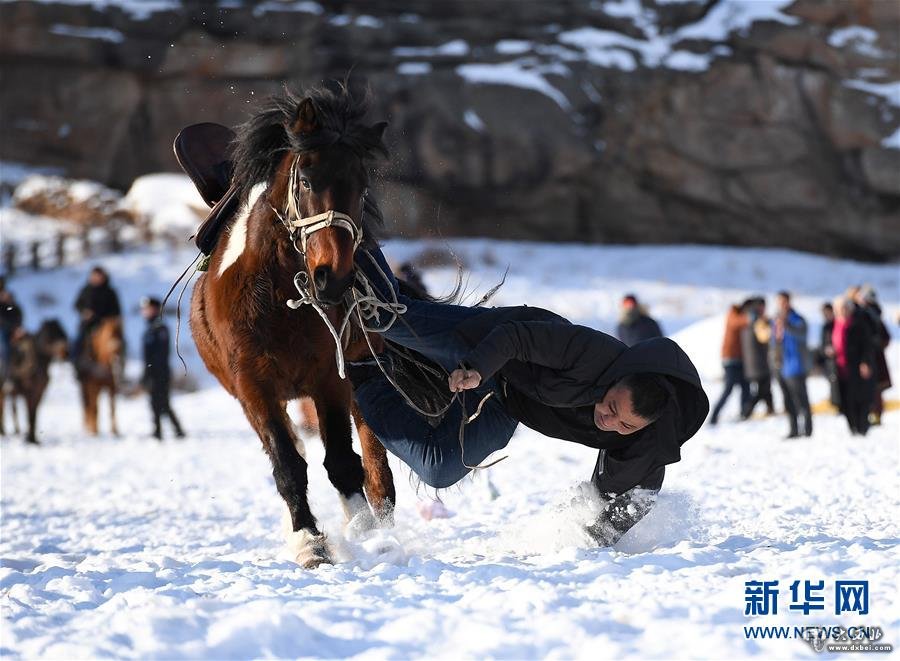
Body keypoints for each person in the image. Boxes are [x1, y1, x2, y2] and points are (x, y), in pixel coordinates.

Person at [347, 245, 709, 547]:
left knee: (439, 469)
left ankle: (364, 373)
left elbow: (628, 503)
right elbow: (515, 338)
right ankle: (351, 233)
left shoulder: (646, 445)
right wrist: (476, 368)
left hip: (507, 404)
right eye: (612, 407)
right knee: (385, 318)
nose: (609, 422)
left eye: (625, 424)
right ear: (620, 377)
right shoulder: (592, 352)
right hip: (489, 347)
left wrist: (592, 540)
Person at [141, 297, 184, 440]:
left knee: (162, 402)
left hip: (160, 372)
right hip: (152, 371)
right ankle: (161, 431)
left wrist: (153, 371)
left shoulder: (160, 328)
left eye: (148, 308)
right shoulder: (150, 328)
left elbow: (161, 354)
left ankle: (173, 430)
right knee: (156, 402)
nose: (145, 311)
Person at [832, 296, 875, 436]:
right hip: (839, 368)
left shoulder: (859, 323)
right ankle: (852, 428)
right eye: (839, 309)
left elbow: (867, 345)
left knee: (859, 398)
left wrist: (866, 362)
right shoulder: (833, 325)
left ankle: (861, 427)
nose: (842, 311)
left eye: (844, 308)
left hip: (856, 367)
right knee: (844, 400)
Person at [772, 291, 812, 438]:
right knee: (788, 401)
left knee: (801, 400)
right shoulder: (775, 321)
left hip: (796, 365)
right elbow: (773, 342)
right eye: (779, 302)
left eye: (784, 301)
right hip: (780, 366)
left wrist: (786, 325)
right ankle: (793, 429)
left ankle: (807, 430)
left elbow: (802, 335)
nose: (782, 305)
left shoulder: (797, 319)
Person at [72, 266, 122, 371]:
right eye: (94, 276)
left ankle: (119, 368)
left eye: (99, 276)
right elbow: (77, 304)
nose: (96, 278)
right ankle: (75, 365)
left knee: (118, 344)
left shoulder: (109, 292)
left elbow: (116, 310)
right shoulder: (86, 290)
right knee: (77, 342)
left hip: (104, 325)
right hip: (87, 325)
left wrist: (107, 318)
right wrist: (84, 312)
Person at [709, 302, 750, 425]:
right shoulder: (733, 314)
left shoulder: (739, 315)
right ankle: (714, 416)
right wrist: (751, 317)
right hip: (730, 360)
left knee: (746, 387)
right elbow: (738, 322)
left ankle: (744, 413)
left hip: (740, 359)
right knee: (728, 388)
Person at [858, 287, 891, 426]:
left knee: (874, 386)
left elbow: (884, 337)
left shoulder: (869, 313)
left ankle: (875, 415)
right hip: (874, 354)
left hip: (872, 355)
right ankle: (874, 414)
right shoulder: (874, 313)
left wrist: (872, 345)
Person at [740, 297, 774, 418]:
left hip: (753, 360)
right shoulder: (758, 320)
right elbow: (764, 336)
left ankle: (771, 409)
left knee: (766, 387)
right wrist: (769, 325)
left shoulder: (748, 317)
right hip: (757, 360)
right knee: (762, 390)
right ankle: (746, 412)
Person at [816, 302, 840, 409]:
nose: (825, 315)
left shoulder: (838, 324)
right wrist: (825, 351)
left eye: (827, 312)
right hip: (829, 361)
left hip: (839, 359)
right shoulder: (825, 326)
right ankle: (835, 403)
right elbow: (822, 345)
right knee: (832, 382)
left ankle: (838, 403)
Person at [0, 276, 24, 380]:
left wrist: (9, 303)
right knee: (4, 346)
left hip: (12, 329)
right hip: (3, 330)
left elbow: (16, 311)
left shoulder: (8, 297)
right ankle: (6, 374)